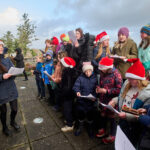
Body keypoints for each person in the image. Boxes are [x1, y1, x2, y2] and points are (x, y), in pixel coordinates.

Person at [109, 58, 150, 147]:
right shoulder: (128, 83)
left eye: (131, 79)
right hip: (122, 120)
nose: (129, 80)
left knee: (129, 143)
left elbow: (143, 113)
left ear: (139, 79)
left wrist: (127, 115)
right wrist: (115, 100)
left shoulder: (147, 93)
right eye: (128, 78)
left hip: (133, 126)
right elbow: (122, 97)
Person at [96, 57, 122, 144]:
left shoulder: (117, 75)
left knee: (112, 118)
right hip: (103, 99)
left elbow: (119, 90)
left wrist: (107, 91)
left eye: (102, 69)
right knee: (102, 115)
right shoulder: (103, 73)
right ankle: (103, 129)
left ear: (108, 68)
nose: (100, 71)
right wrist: (98, 88)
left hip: (112, 101)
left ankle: (112, 135)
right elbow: (101, 83)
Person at [0, 41, 20, 136]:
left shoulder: (7, 60)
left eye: (1, 46)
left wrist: (14, 74)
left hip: (11, 87)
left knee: (15, 109)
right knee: (3, 112)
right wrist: (2, 77)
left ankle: (12, 121)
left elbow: (13, 71)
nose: (1, 47)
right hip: (1, 90)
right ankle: (4, 127)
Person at [73, 62, 97, 138]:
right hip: (81, 101)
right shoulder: (80, 78)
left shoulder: (95, 78)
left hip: (90, 102)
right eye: (86, 72)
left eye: (89, 71)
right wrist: (77, 92)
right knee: (81, 116)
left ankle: (90, 129)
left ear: (92, 71)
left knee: (90, 116)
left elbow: (97, 90)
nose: (87, 73)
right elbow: (76, 86)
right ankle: (80, 128)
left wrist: (94, 97)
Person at [60, 57, 76, 132]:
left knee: (67, 109)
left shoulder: (67, 72)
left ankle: (69, 125)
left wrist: (63, 92)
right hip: (71, 94)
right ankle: (71, 120)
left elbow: (68, 85)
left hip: (67, 94)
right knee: (71, 108)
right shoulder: (71, 70)